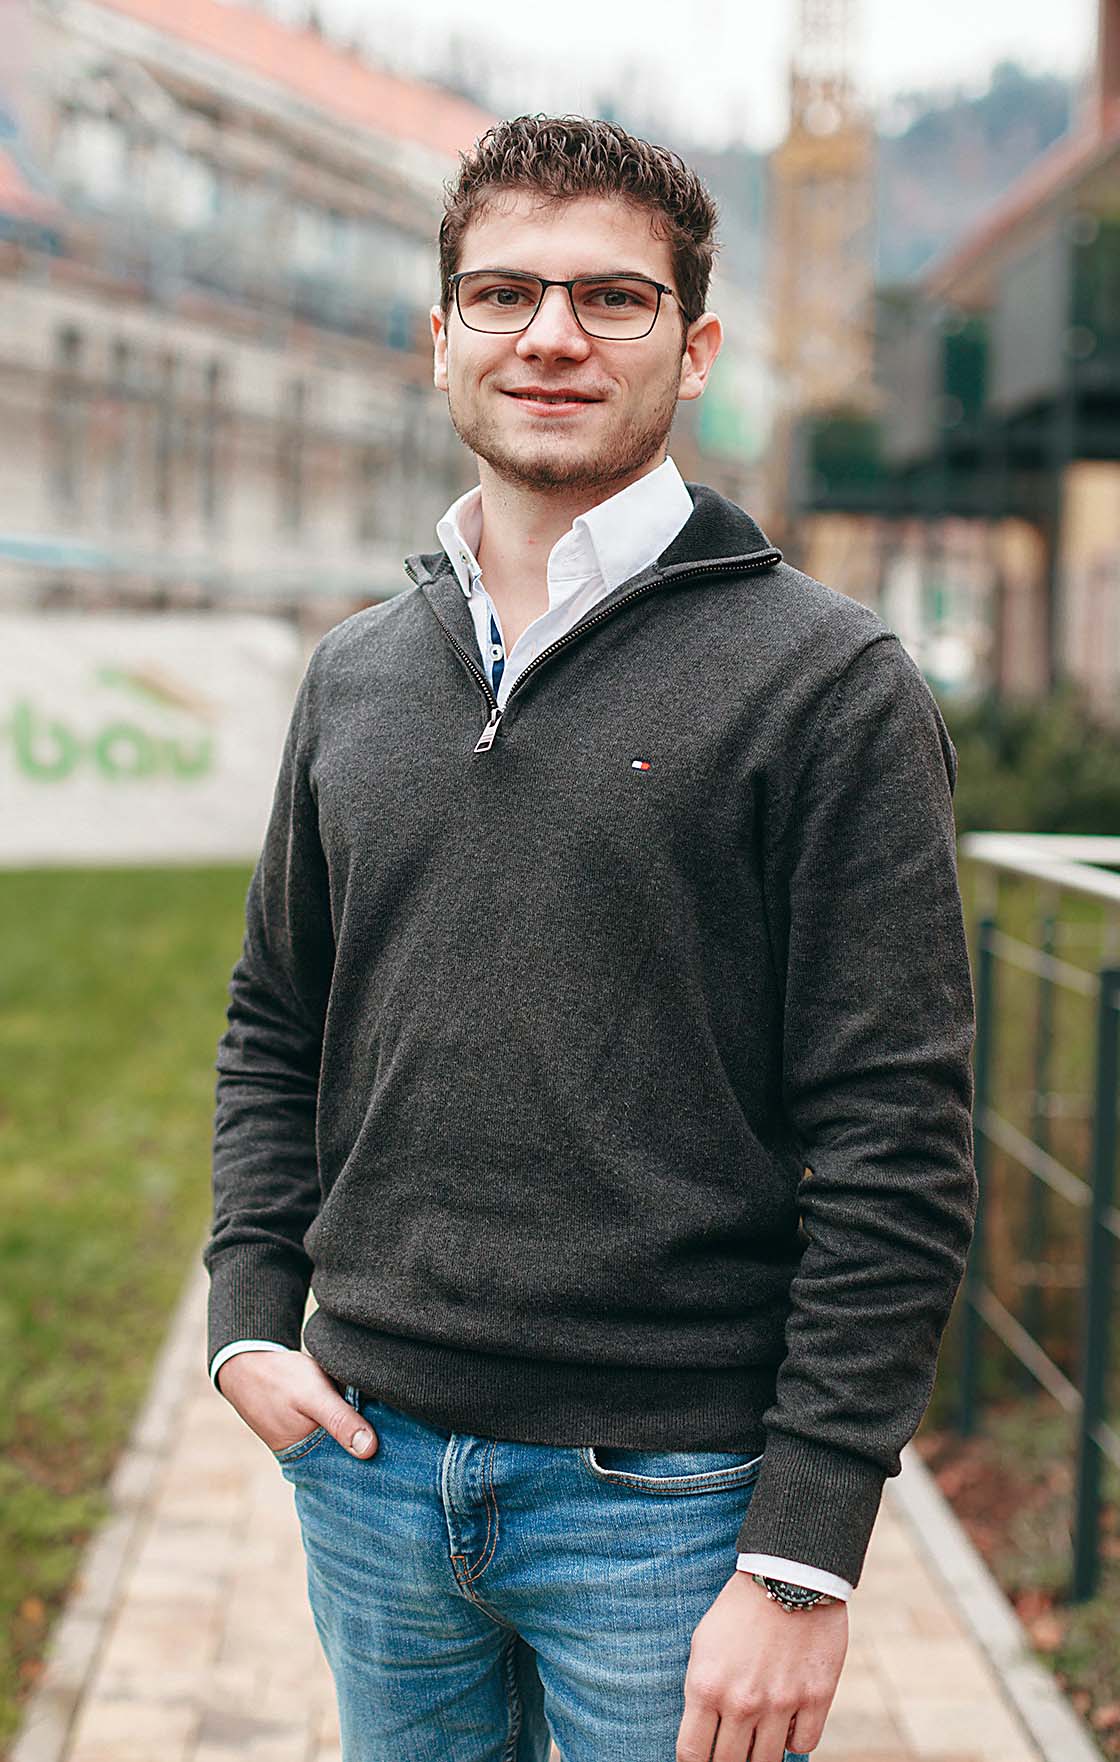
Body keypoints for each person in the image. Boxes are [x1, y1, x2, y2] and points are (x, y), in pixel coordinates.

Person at [203, 114, 977, 1762]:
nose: (551, 336)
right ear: (442, 338)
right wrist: (249, 1319)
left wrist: (803, 1552)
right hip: (368, 1464)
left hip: (672, 1495)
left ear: (694, 350)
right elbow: (277, 1015)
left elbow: (898, 1141)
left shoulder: (828, 685)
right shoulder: (357, 672)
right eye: (504, 294)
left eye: (612, 299)